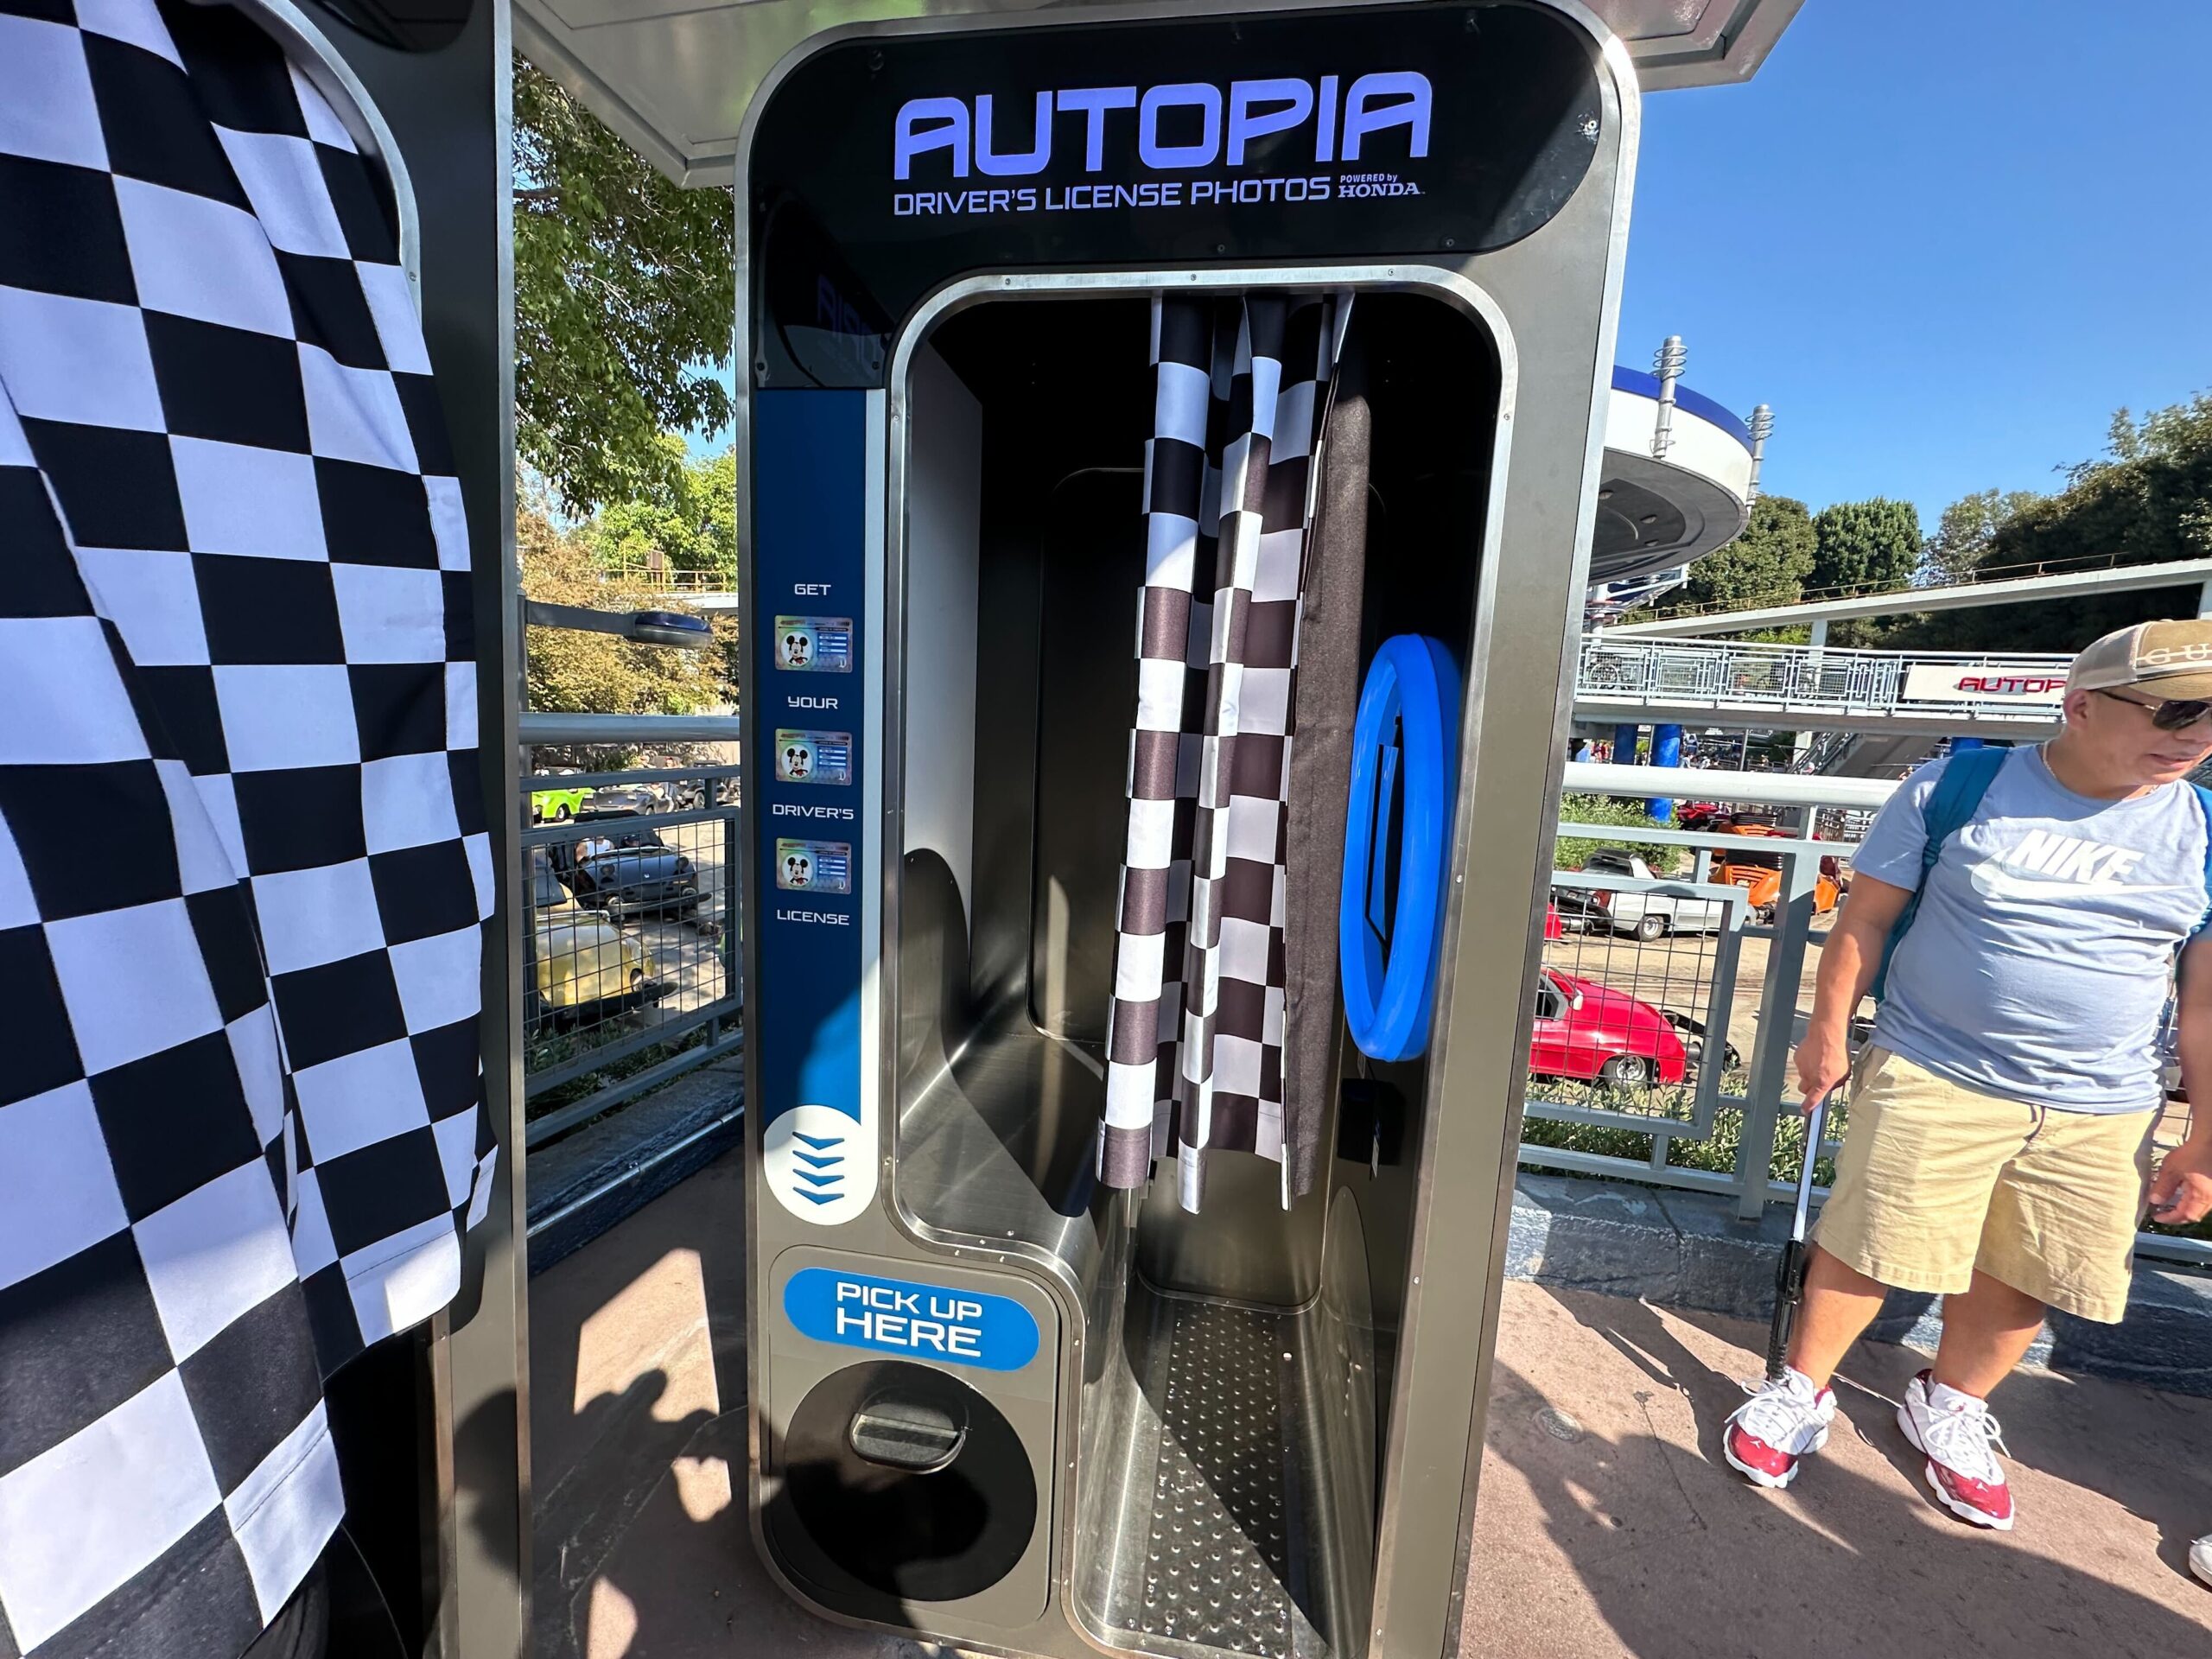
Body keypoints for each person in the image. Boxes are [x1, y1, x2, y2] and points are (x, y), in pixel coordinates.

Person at [1724, 620, 2212, 1533]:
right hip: (1934, 1067)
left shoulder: (2202, 828)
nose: (2197, 733)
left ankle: (1947, 1405)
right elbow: (1861, 922)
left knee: (2026, 1265)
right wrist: (1824, 1036)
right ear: (2079, 706)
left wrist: (2204, 1139)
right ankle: (1799, 1387)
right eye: (2178, 708)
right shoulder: (1956, 787)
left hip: (2104, 1105)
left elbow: (2206, 1006)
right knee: (1869, 1239)